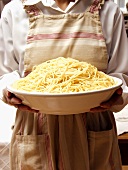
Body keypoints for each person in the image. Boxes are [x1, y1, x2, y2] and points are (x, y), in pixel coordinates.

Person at [0, 0, 128, 169]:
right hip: (35, 124)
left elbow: (120, 75)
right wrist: (10, 92)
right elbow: (6, 74)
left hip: (93, 122)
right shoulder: (14, 10)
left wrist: (117, 96)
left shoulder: (108, 10)